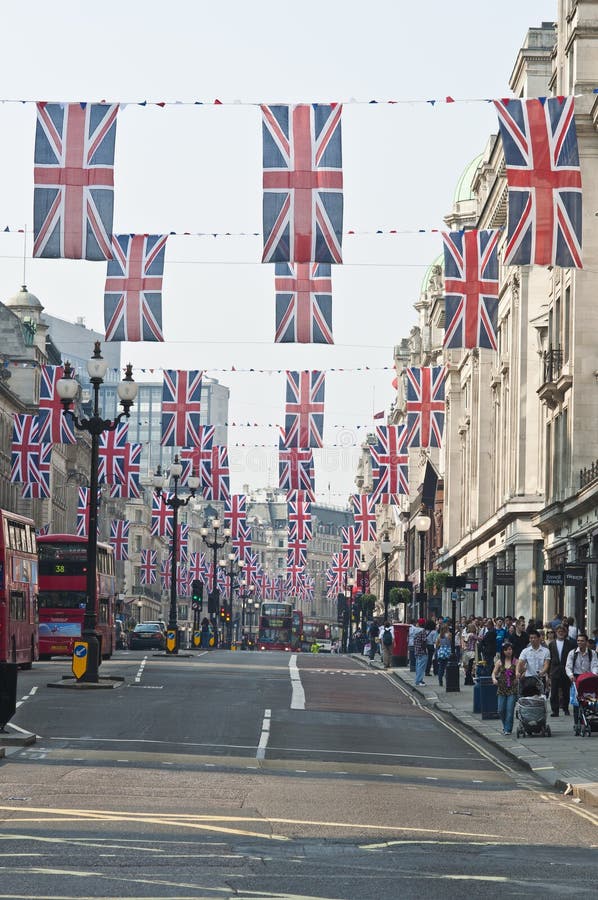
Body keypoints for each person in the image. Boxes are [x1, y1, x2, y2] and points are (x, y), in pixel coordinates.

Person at [566, 633, 598, 725]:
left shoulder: (592, 653)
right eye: (578, 640)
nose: (580, 642)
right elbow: (568, 666)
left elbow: (594, 666)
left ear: (586, 642)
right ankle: (577, 723)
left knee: (591, 699)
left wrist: (594, 675)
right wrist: (570, 675)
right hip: (576, 678)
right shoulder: (572, 653)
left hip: (589, 678)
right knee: (577, 701)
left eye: (582, 641)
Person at [548, 624, 575, 717]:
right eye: (559, 631)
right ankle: (555, 710)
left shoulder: (570, 644)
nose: (560, 633)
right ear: (556, 632)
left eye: (562, 632)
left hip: (565, 669)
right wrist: (548, 673)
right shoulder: (551, 644)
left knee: (566, 691)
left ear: (565, 633)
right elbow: (549, 659)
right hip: (555, 670)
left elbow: (572, 658)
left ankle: (566, 708)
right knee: (554, 691)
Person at [492, 641, 518, 735]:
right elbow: (493, 673)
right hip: (501, 688)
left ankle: (508, 729)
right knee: (501, 710)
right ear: (503, 651)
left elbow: (523, 670)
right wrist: (494, 679)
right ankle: (505, 725)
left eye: (510, 649)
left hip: (512, 689)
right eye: (506, 649)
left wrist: (518, 677)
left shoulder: (516, 661)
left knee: (510, 710)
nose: (509, 651)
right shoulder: (499, 662)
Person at [516, 629, 550, 695]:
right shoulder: (525, 651)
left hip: (540, 678)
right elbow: (520, 662)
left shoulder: (546, 651)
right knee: (529, 700)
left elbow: (546, 664)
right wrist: (517, 671)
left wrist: (543, 671)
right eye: (531, 638)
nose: (533, 640)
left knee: (540, 699)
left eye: (534, 638)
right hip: (529, 678)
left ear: (539, 638)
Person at [413, 620, 428, 685]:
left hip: (416, 650)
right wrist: (425, 650)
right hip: (422, 650)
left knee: (418, 666)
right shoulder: (423, 631)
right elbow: (424, 641)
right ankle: (418, 681)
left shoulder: (414, 630)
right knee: (421, 667)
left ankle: (419, 679)